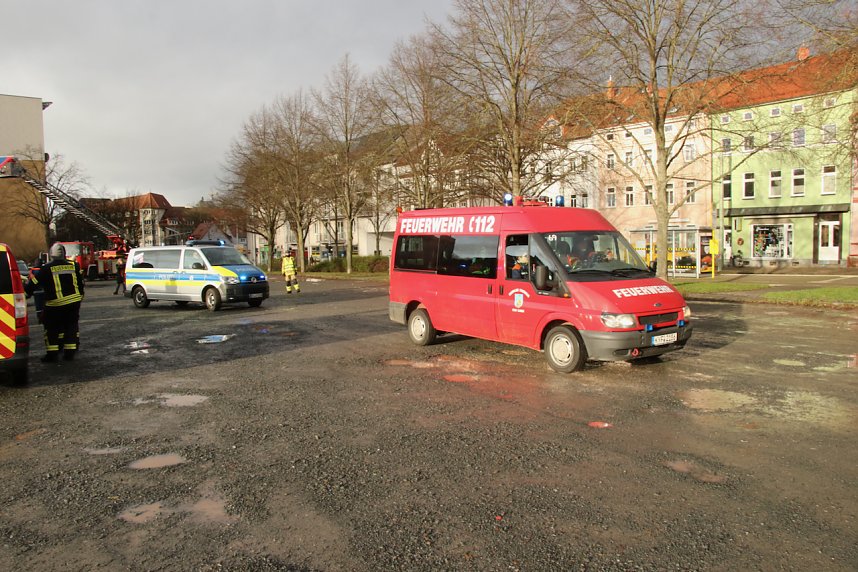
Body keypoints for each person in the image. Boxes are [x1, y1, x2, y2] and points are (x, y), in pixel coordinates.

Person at [26, 243, 85, 362]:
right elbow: (80, 283)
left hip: (55, 303)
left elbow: (35, 283)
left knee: (51, 328)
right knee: (71, 327)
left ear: (51, 254)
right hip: (73, 302)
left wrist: (26, 291)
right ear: (64, 254)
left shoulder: (47, 268)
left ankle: (52, 354)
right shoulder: (73, 266)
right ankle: (69, 354)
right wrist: (80, 297)